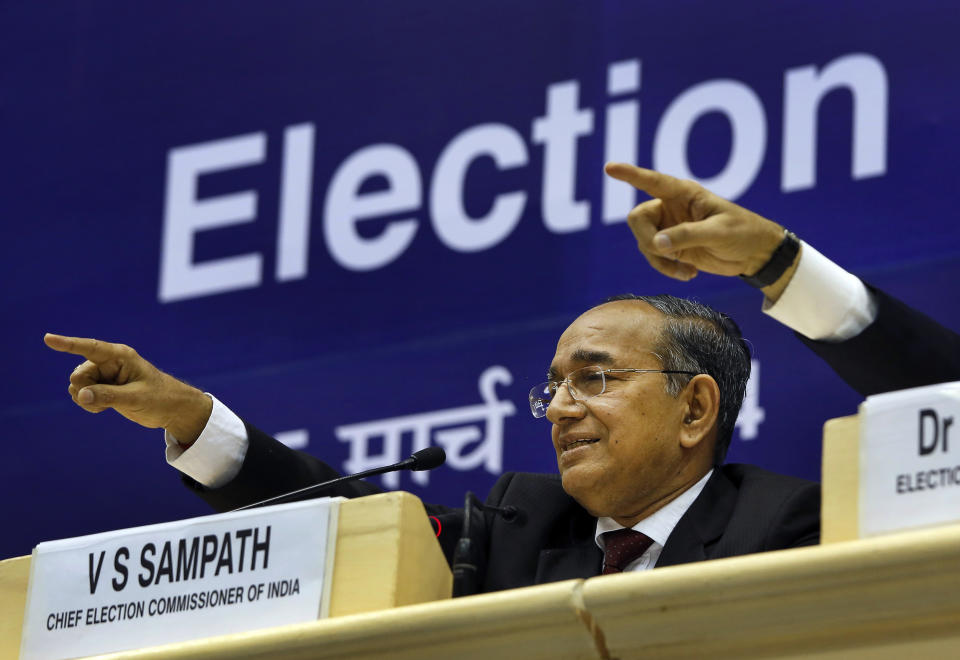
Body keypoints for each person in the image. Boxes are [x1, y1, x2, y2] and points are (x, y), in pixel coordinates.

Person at [45, 164, 960, 594]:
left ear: (696, 408)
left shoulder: (791, 527)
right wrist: (196, 420)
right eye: (553, 386)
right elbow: (348, 527)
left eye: (594, 379)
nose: (560, 408)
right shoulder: (514, 530)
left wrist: (779, 264)